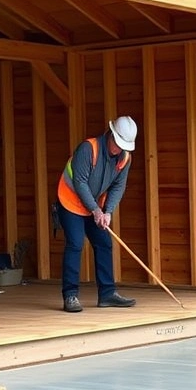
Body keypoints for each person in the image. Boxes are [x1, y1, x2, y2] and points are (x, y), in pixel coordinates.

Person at [56, 116, 138, 313]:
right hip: (70, 201)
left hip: (95, 206)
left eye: (123, 146)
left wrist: (107, 211)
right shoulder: (88, 148)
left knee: (104, 243)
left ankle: (107, 294)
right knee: (75, 243)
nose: (119, 149)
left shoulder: (125, 158)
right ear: (110, 135)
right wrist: (96, 211)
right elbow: (80, 183)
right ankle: (70, 295)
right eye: (117, 144)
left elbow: (118, 186)